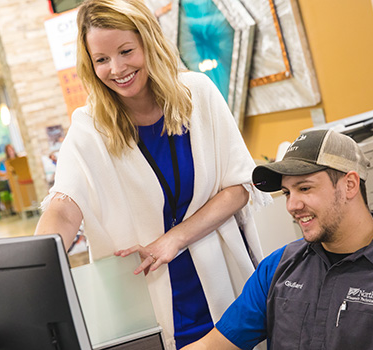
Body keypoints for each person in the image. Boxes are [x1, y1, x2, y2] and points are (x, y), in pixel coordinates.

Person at [34, 0, 270, 349]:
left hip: (227, 284)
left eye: (126, 51)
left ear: (148, 42)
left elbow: (238, 188)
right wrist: (38, 262)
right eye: (101, 60)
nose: (117, 68)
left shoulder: (198, 93)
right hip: (151, 300)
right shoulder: (90, 127)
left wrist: (172, 239)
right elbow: (64, 205)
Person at [183, 129, 373, 349]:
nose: (292, 205)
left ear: (349, 185)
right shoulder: (279, 268)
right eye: (288, 193)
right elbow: (215, 345)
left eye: (305, 188)